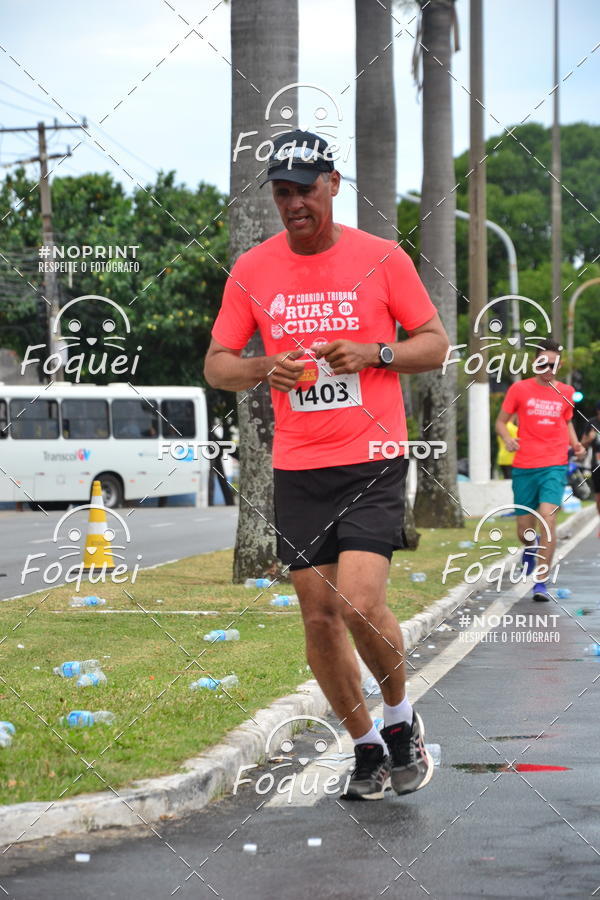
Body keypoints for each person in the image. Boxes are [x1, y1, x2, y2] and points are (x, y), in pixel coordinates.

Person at [204, 129, 449, 801]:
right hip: (300, 465)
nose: (294, 204)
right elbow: (217, 363)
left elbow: (434, 345)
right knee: (318, 617)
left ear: (333, 185)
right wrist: (263, 367)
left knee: (362, 603)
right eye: (282, 193)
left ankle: (401, 723)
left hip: (372, 456)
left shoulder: (382, 258)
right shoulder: (253, 270)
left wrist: (376, 354)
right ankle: (366, 748)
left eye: (304, 190)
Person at [495, 338, 585, 601]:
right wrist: (507, 438)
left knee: (548, 518)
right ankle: (531, 547)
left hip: (554, 465)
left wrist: (576, 444)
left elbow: (566, 422)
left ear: (559, 365)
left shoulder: (566, 392)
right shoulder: (519, 390)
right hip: (524, 466)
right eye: (543, 362)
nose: (547, 367)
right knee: (525, 532)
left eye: (553, 363)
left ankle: (541, 583)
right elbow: (501, 422)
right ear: (535, 362)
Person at [581, 401, 600, 535]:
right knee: (598, 498)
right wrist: (589, 439)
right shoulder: (591, 423)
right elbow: (582, 445)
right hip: (597, 466)